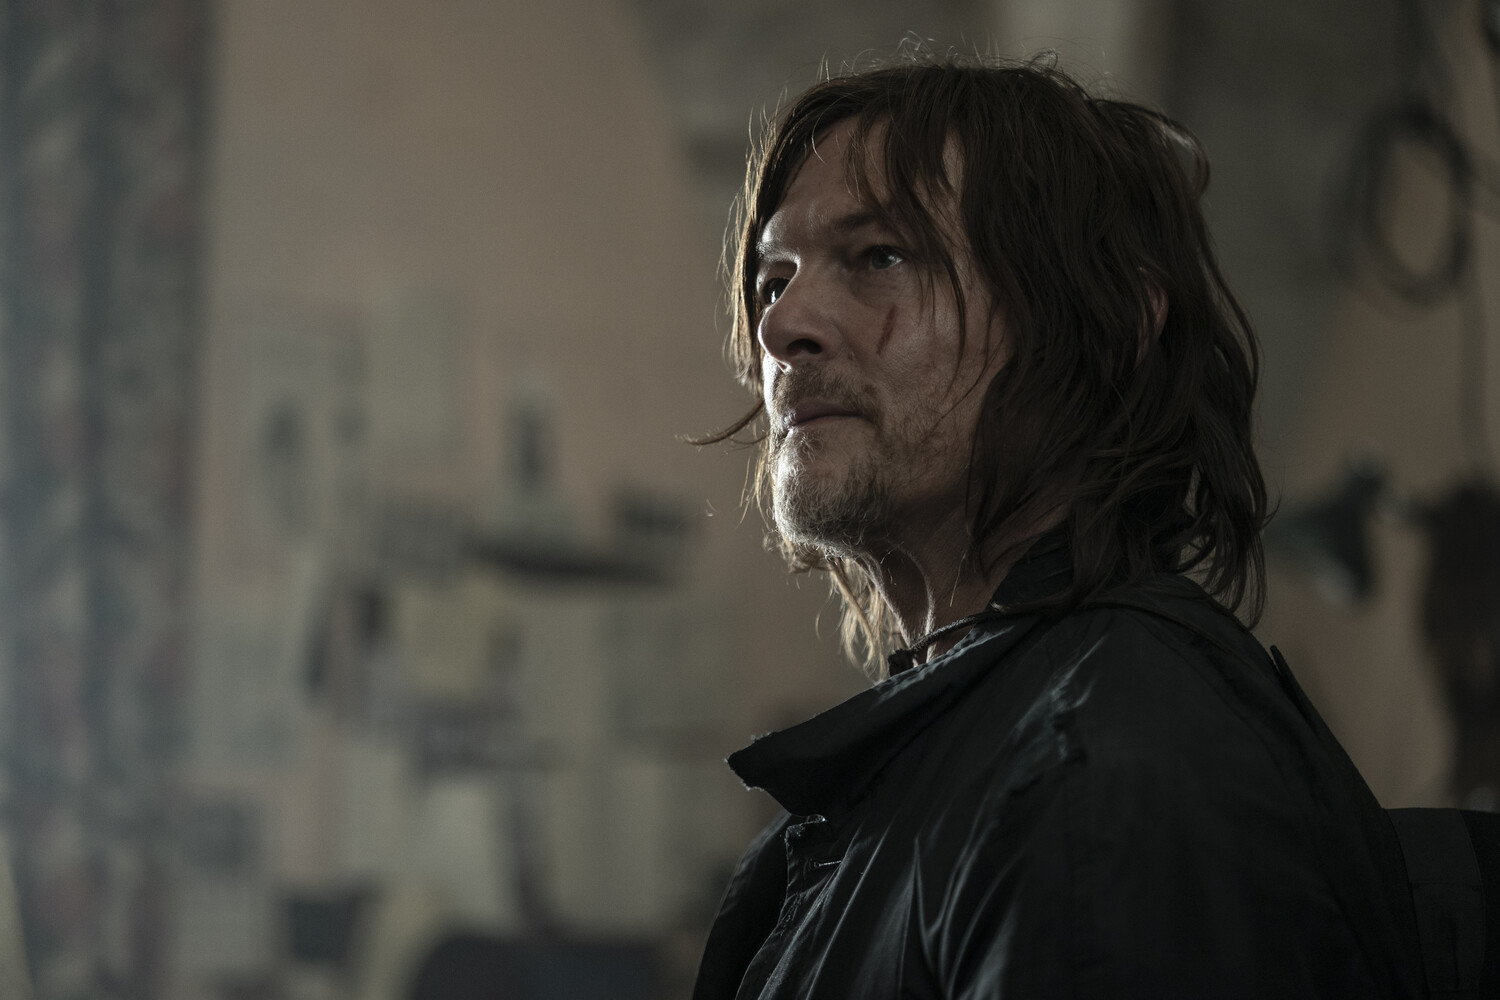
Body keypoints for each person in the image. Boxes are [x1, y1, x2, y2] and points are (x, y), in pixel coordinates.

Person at [690, 56, 1443, 999]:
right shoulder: (994, 752)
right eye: (774, 279)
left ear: (1110, 320)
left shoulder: (1101, 771)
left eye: (880, 256)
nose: (781, 325)